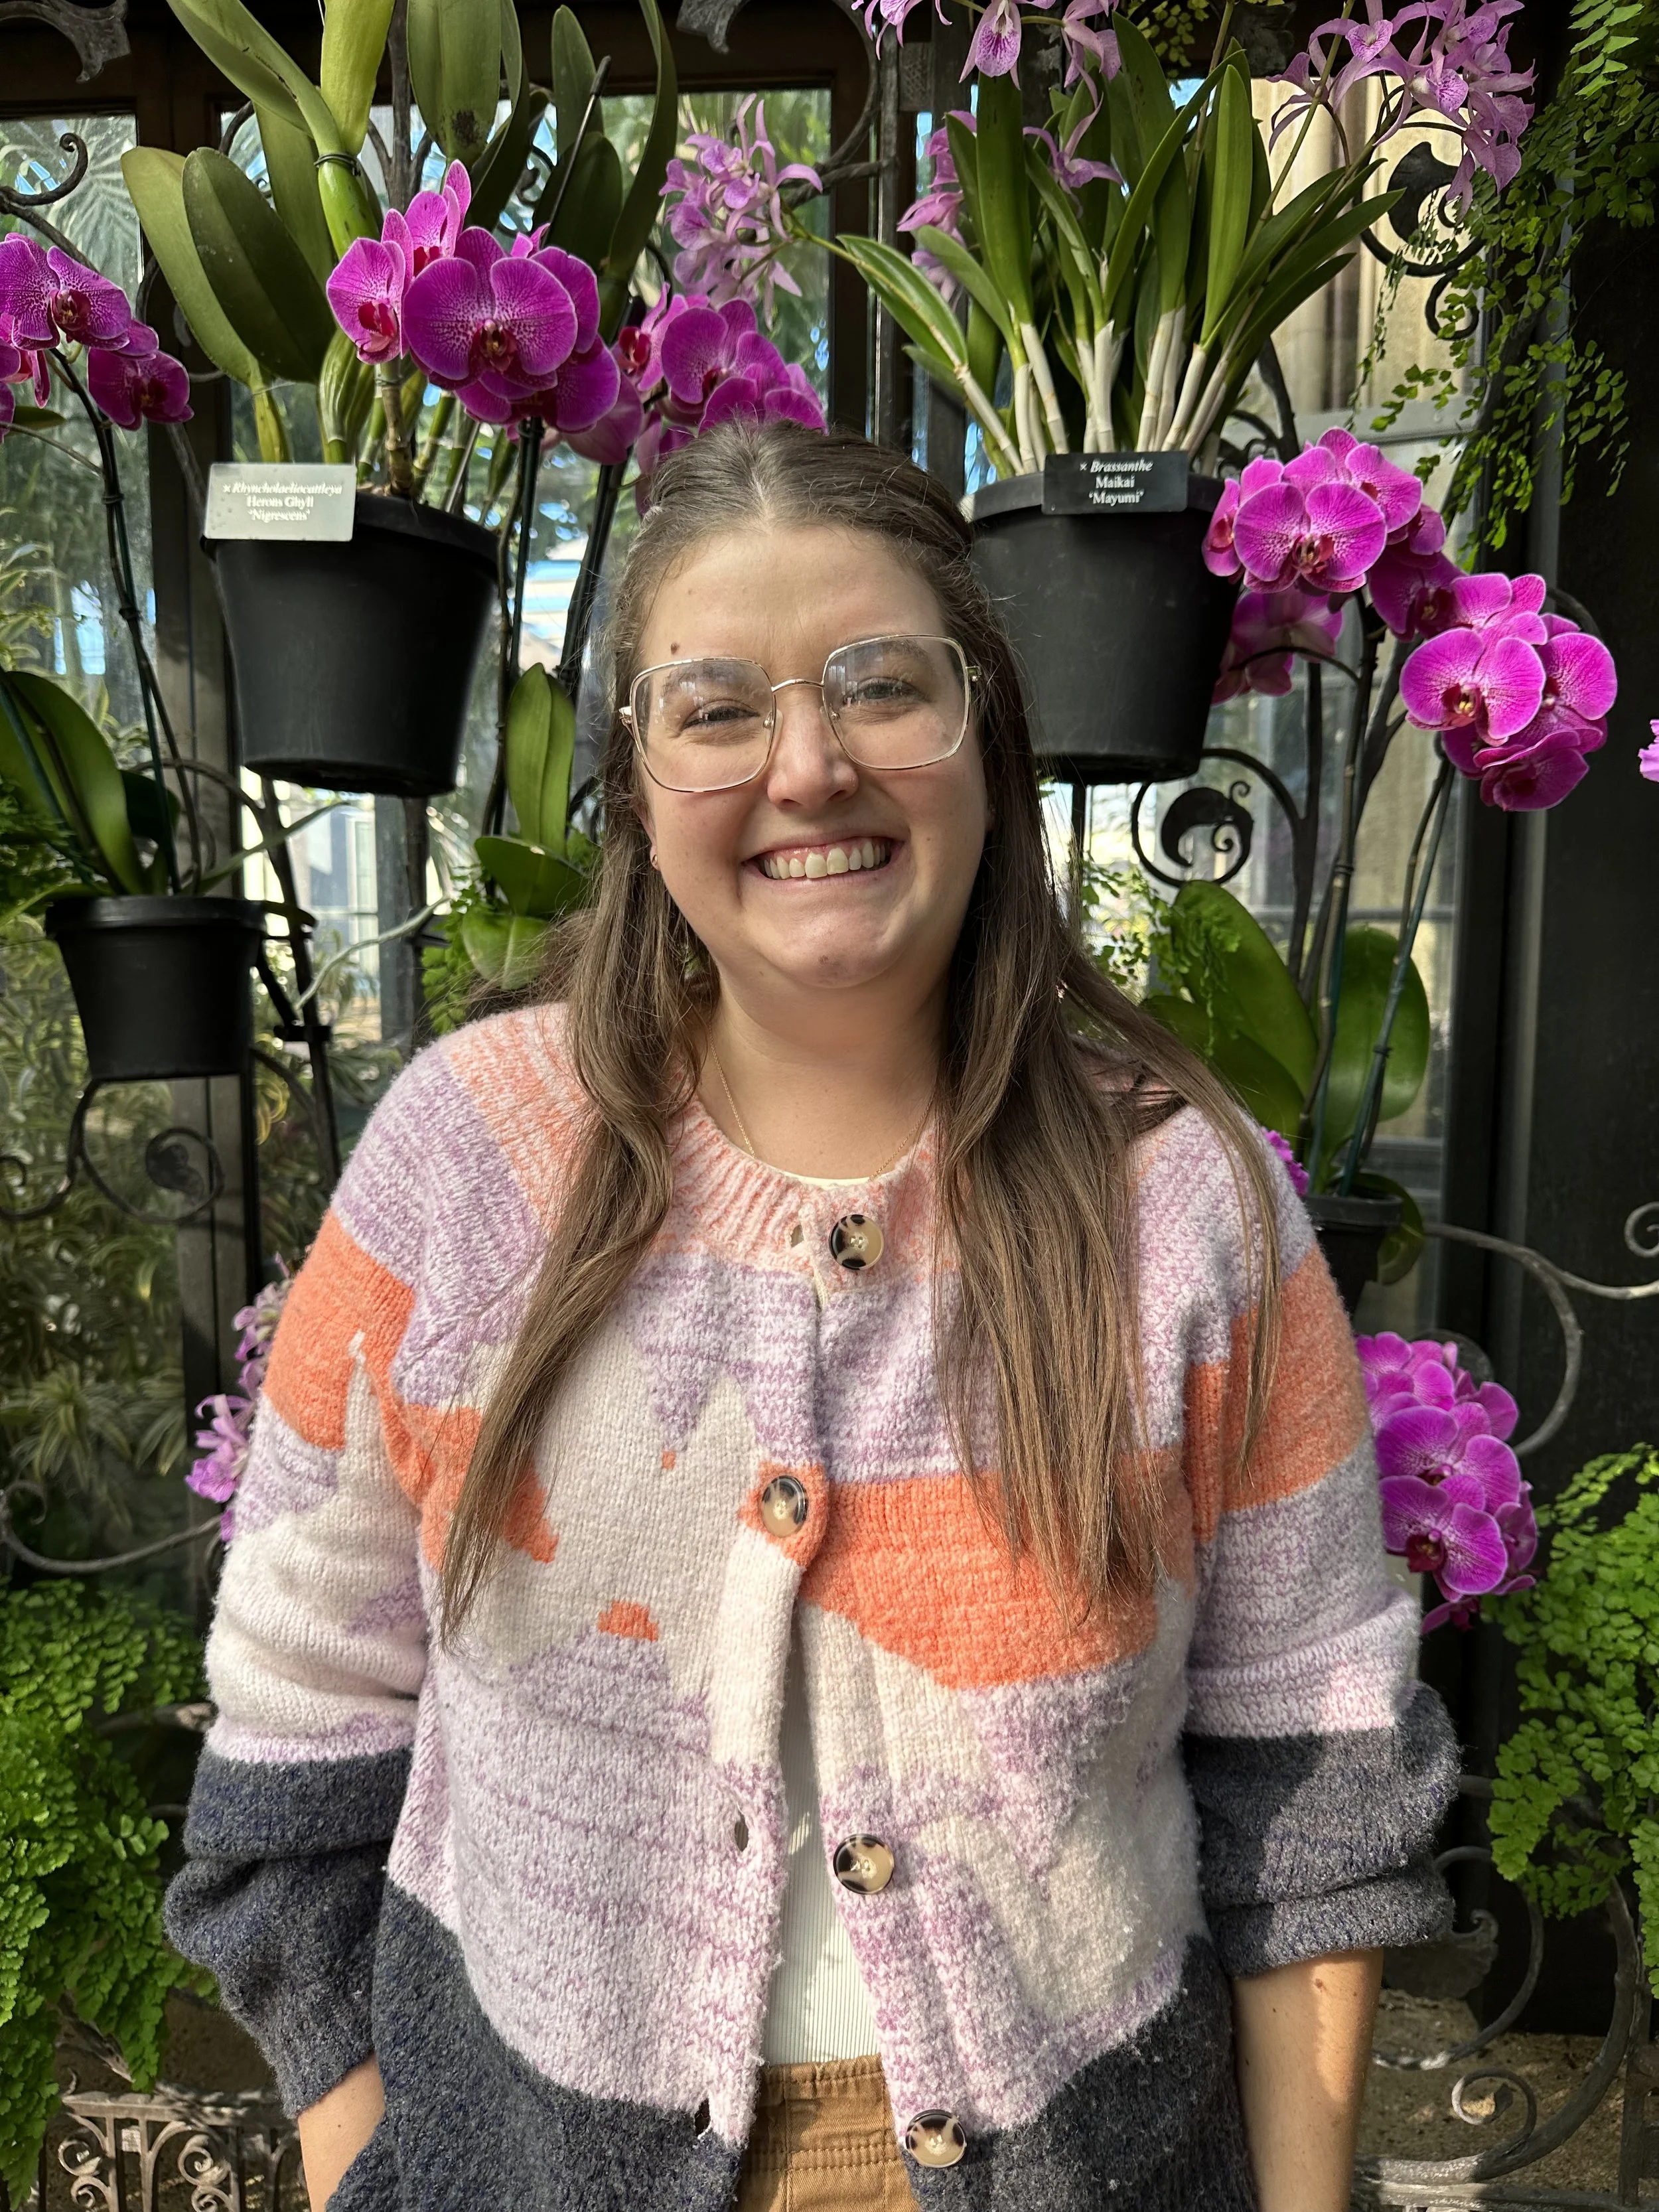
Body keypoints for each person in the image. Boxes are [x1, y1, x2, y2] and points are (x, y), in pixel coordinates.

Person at [165, 421, 1455, 2212]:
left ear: (987, 738)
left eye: (881, 686)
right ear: (634, 783)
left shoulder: (1184, 1204)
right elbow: (295, 1732)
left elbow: (1310, 1770)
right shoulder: (464, 1165)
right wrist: (376, 2160)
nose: (807, 766)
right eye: (715, 710)